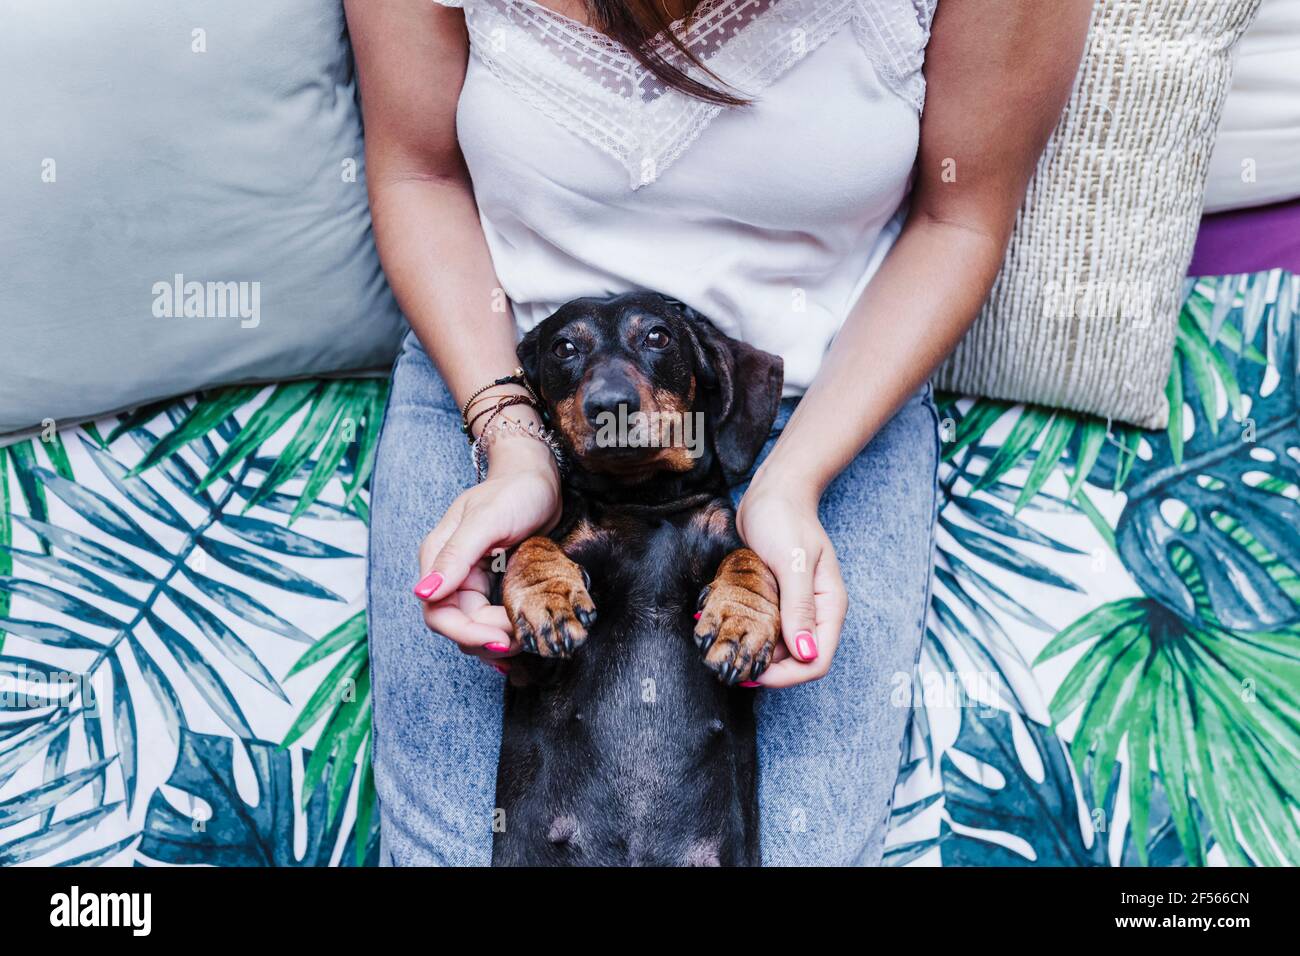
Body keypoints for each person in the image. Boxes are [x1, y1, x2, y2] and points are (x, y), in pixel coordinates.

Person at [349, 0, 1092, 864]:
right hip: (502, 377)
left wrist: (791, 481)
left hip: (828, 403)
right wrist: (515, 441)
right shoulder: (514, 398)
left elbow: (959, 219)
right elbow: (419, 175)